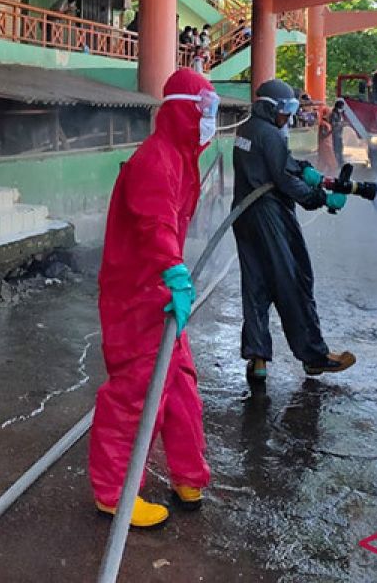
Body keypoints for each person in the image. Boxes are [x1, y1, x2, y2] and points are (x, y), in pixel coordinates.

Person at [89, 68, 218, 529]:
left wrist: (173, 276)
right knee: (136, 392)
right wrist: (175, 272)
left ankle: (188, 476)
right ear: (185, 110)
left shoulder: (182, 158)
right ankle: (114, 493)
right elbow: (154, 226)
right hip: (138, 292)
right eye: (206, 108)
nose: (211, 118)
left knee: (179, 382)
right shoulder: (157, 160)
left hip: (160, 287)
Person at [233, 79, 356, 382]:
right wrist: (320, 198)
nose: (288, 117)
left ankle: (258, 358)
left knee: (256, 285)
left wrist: (304, 169)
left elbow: (281, 165)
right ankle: (314, 356)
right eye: (286, 110)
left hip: (246, 216)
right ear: (269, 107)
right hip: (270, 216)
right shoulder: (271, 135)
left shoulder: (247, 130)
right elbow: (284, 181)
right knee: (294, 281)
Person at [331, 98, 348, 168]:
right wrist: (341, 124)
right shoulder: (334, 114)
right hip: (335, 134)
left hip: (339, 134)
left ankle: (340, 161)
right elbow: (333, 124)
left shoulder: (339, 113)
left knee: (340, 148)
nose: (342, 108)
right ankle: (337, 162)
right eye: (341, 107)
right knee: (337, 149)